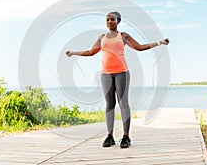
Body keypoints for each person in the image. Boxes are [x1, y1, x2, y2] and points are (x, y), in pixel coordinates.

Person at [66, 11, 169, 148]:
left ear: (118, 21)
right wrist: (74, 53)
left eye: (112, 20)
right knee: (109, 104)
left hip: (122, 73)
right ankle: (109, 136)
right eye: (107, 20)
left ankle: (126, 136)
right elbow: (91, 52)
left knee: (123, 103)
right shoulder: (102, 37)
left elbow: (139, 47)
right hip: (106, 74)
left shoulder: (123, 36)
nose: (110, 22)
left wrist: (159, 42)